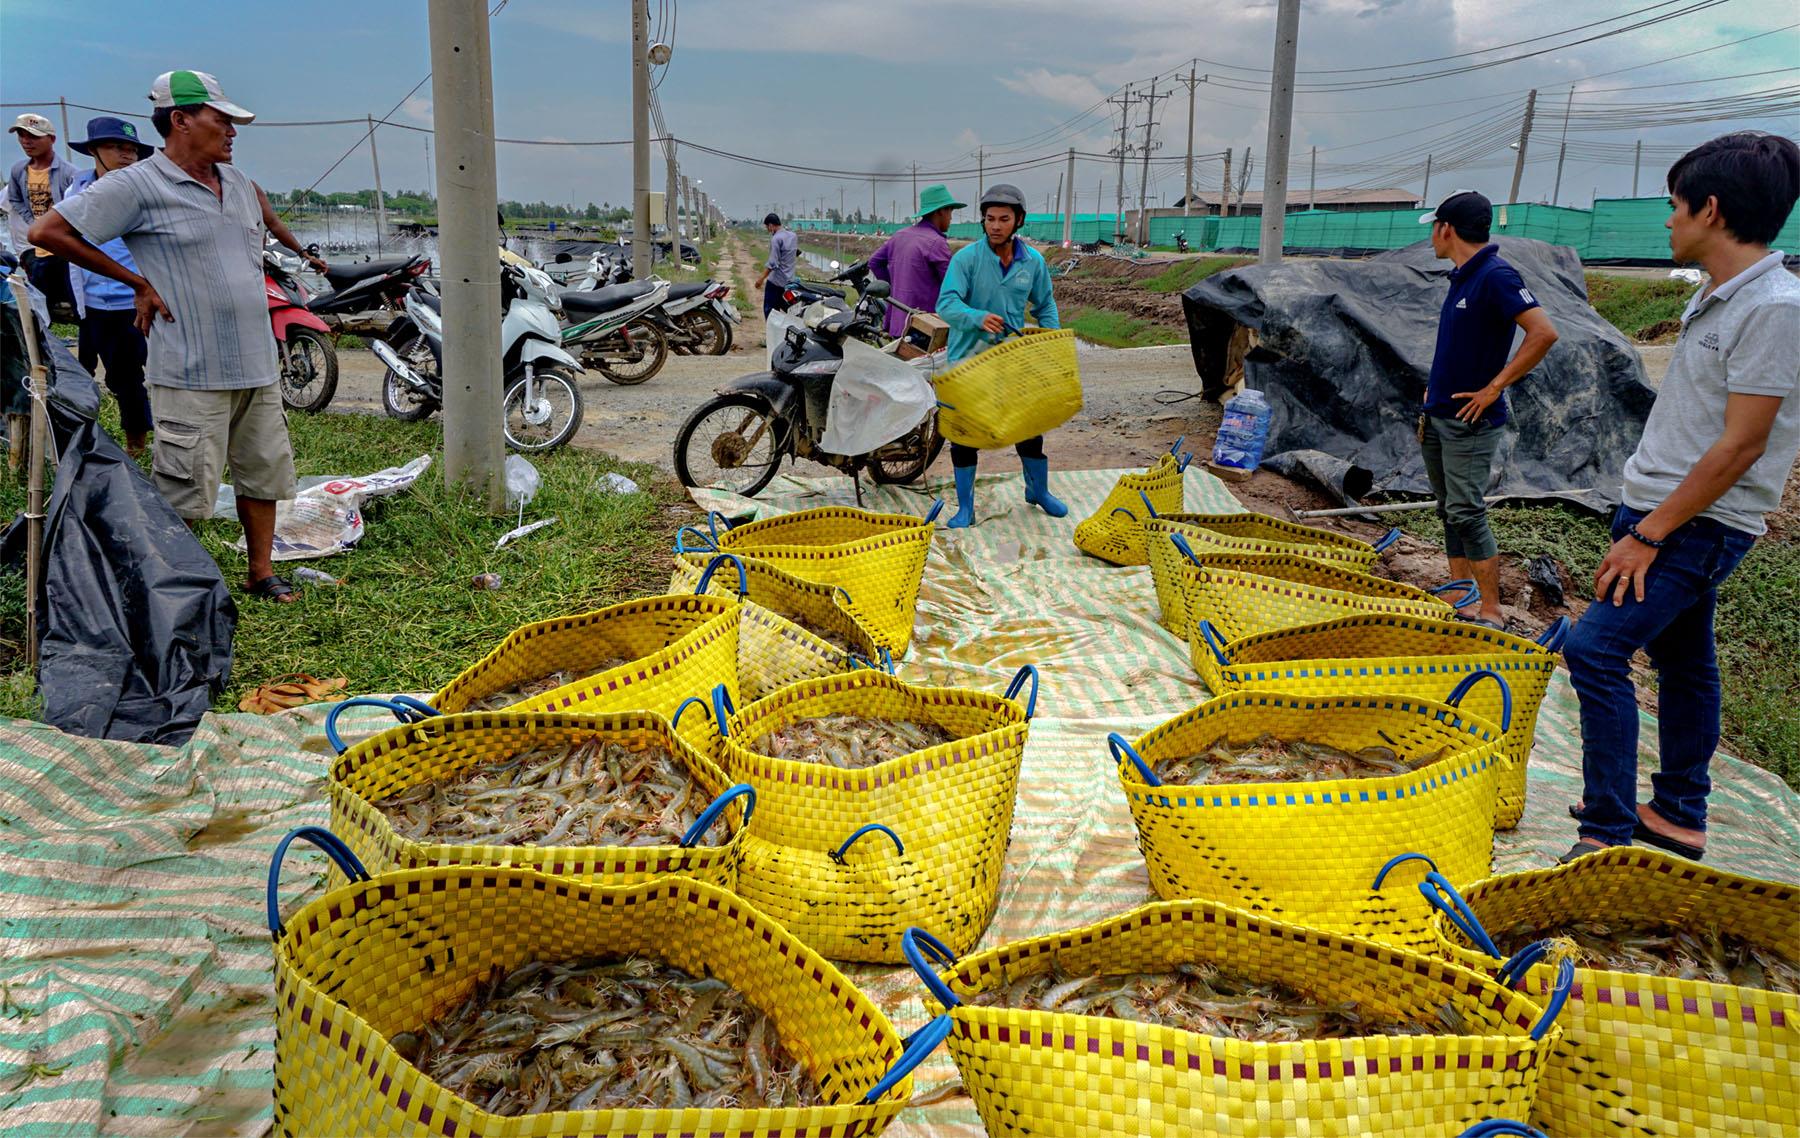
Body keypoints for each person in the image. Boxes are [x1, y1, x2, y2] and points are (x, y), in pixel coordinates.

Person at [1561, 132, 1800, 866]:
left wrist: (1651, 534)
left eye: (1673, 206)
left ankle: (1604, 834)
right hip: (1665, 513)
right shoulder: (1720, 295)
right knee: (1686, 666)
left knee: (1595, 651)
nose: (1667, 220)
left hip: (1692, 524)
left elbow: (1742, 445)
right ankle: (1677, 814)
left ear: (1711, 209)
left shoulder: (1774, 308)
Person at [31, 69, 326, 604]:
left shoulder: (239, 184)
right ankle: (180, 588)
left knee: (263, 475)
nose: (233, 131)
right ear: (181, 120)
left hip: (257, 364)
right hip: (191, 368)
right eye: (223, 120)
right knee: (185, 488)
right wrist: (136, 281)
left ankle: (262, 573)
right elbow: (47, 232)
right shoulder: (137, 185)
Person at [1416, 190, 1559, 629]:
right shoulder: (1462, 276)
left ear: (1447, 229)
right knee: (1448, 509)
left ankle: (1492, 610)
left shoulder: (1495, 275)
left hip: (1470, 422)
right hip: (1441, 413)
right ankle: (1462, 598)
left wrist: (1494, 387)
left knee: (1466, 510)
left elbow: (1543, 333)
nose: (1432, 238)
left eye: (1434, 229)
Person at [935, 183, 1065, 529]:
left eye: (1003, 219)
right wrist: (977, 317)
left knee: (1029, 429)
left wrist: (1050, 342)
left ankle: (1038, 491)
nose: (995, 225)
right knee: (965, 436)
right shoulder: (966, 259)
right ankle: (965, 509)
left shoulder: (1033, 261)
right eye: (989, 218)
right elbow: (946, 304)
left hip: (1013, 360)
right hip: (969, 361)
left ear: (1018, 221)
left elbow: (1045, 304)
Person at [63, 116, 155, 456]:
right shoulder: (77, 188)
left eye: (132, 149)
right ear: (93, 151)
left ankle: (137, 441)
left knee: (138, 375)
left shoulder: (142, 189)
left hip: (134, 299)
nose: (127, 154)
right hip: (93, 302)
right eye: (117, 147)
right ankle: (110, 438)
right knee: (113, 375)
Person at [6, 113, 80, 324]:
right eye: (22, 135)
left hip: (65, 249)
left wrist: (56, 228)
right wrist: (35, 223)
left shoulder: (69, 173)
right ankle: (46, 350)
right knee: (40, 309)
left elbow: (76, 208)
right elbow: (16, 199)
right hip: (38, 249)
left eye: (34, 136)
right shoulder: (19, 170)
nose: (26, 142)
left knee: (75, 305)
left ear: (51, 139)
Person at [868, 183, 961, 338]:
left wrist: (893, 288)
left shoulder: (900, 235)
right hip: (923, 327)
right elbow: (953, 286)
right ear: (940, 212)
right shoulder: (936, 243)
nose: (951, 217)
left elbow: (874, 262)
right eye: (950, 211)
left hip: (897, 323)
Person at [753, 212, 796, 317]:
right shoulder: (793, 236)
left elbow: (773, 263)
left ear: (771, 225)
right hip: (789, 281)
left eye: (767, 227)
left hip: (775, 282)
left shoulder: (776, 239)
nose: (768, 230)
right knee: (790, 311)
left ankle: (772, 332)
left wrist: (761, 279)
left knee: (770, 312)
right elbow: (793, 252)